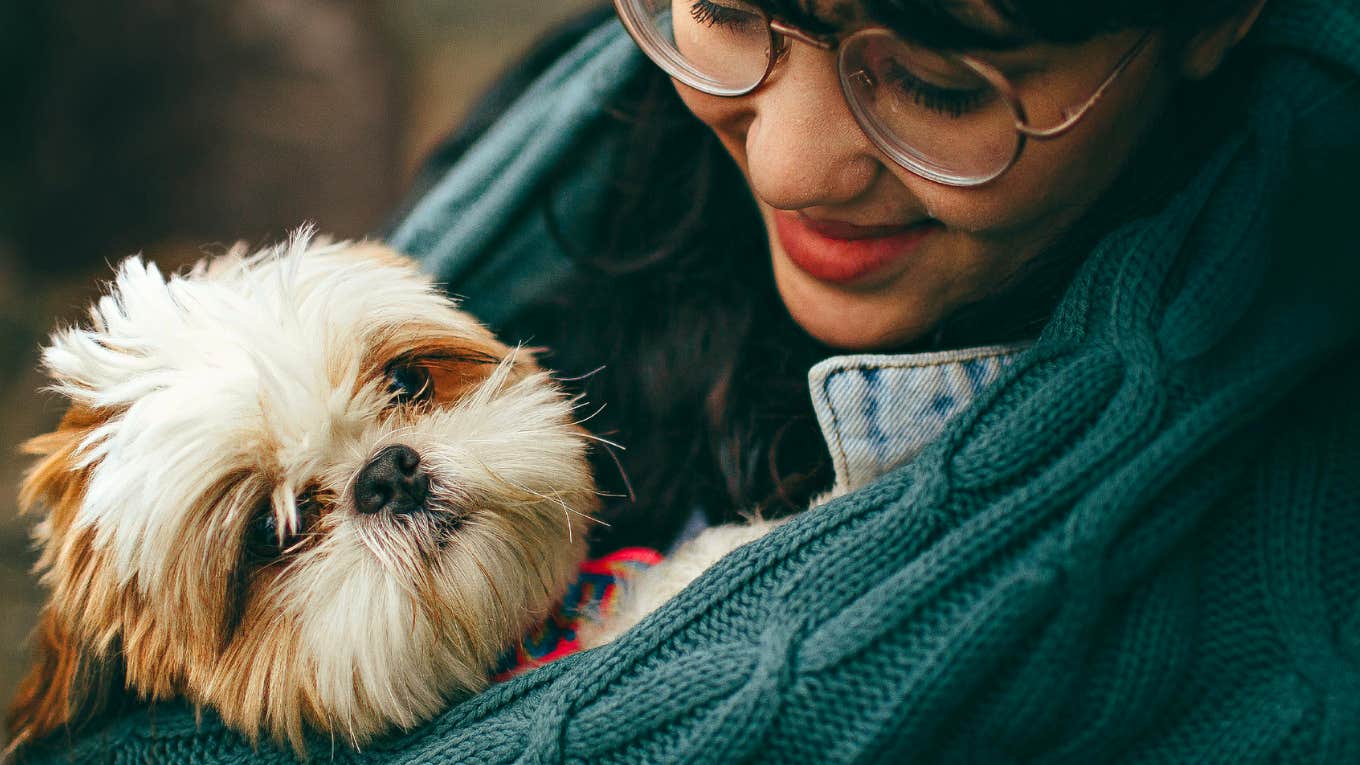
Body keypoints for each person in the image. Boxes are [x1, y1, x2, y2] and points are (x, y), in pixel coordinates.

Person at [18, 0, 1359, 761]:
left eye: (944, 83)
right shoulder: (578, 121)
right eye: (726, 9)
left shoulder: (1287, 607)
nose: (787, 163)